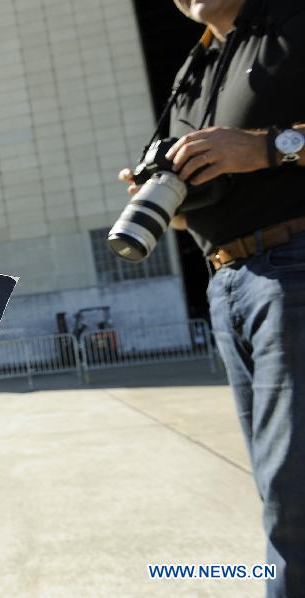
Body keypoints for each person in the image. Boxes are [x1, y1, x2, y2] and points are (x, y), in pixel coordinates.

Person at [119, 0, 305, 594]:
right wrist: (161, 198)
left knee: (291, 501)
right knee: (281, 489)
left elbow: (261, 151)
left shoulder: (292, 22)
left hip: (292, 270)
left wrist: (266, 148)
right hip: (225, 284)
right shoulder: (193, 70)